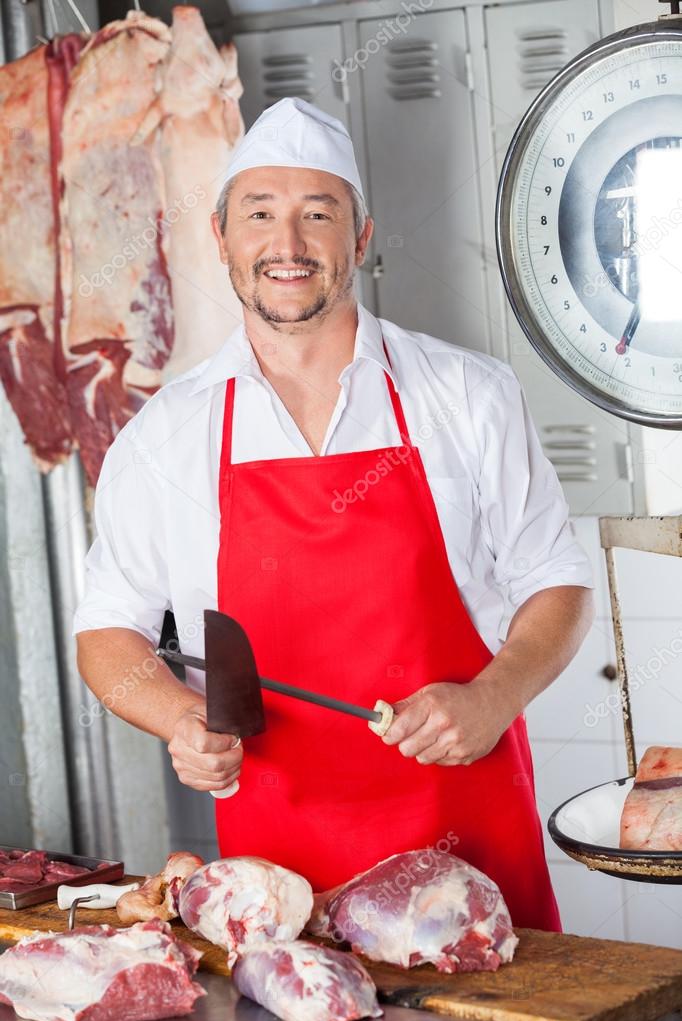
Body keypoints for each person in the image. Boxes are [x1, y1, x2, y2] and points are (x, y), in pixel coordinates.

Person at [74, 96, 595, 930]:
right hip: (281, 880)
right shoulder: (166, 434)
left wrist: (494, 697)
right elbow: (107, 633)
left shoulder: (468, 395)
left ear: (359, 236)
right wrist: (179, 718)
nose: (287, 245)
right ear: (222, 238)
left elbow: (559, 586)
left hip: (471, 854)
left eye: (318, 214)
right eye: (260, 215)